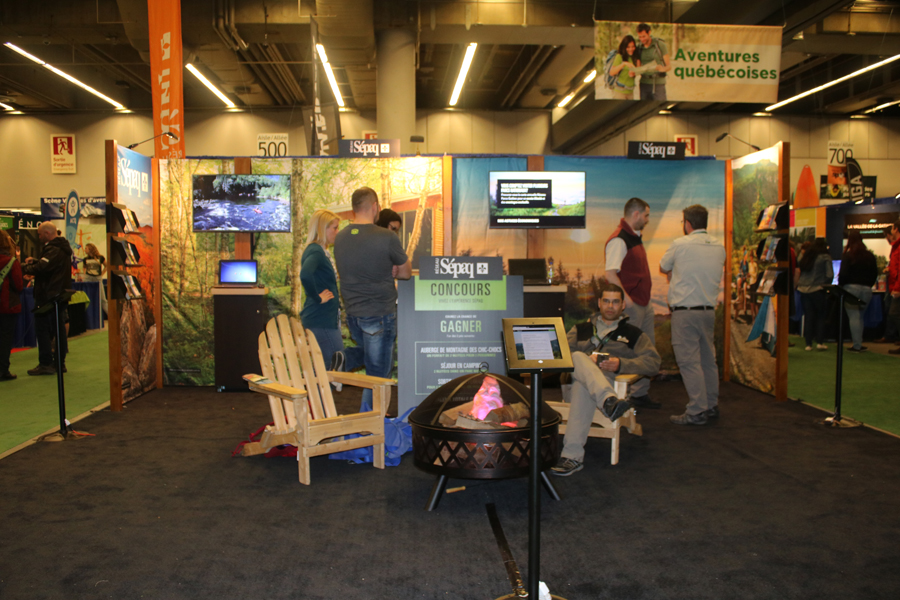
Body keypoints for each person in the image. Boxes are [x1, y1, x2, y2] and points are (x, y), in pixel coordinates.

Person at [551, 283, 661, 476]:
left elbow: (653, 363)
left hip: (608, 383)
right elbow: (560, 353)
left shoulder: (633, 334)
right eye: (607, 301)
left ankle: (571, 457)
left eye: (615, 302)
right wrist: (587, 360)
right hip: (576, 386)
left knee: (582, 387)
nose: (610, 306)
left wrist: (621, 364)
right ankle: (608, 401)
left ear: (623, 305)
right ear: (599, 303)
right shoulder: (580, 329)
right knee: (578, 357)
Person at [333, 187, 412, 409]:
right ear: (375, 206)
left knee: (371, 358)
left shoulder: (340, 238)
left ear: (354, 208)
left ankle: (347, 358)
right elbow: (406, 272)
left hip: (354, 316)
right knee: (378, 377)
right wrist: (394, 270)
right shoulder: (387, 237)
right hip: (379, 315)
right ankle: (371, 423)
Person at [659, 204, 726, 426]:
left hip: (685, 313)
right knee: (708, 360)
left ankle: (697, 410)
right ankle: (711, 405)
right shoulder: (719, 247)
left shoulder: (680, 244)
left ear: (687, 223)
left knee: (689, 362)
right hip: (708, 311)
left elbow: (663, 266)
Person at [604, 197, 658, 408]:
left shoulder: (634, 237)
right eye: (646, 215)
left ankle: (639, 393)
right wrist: (627, 301)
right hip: (632, 306)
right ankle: (619, 398)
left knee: (645, 349)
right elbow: (610, 274)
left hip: (643, 303)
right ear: (636, 214)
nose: (647, 219)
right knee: (626, 350)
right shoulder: (619, 239)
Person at [21, 222, 73, 376]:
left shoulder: (53, 249)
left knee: (43, 329)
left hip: (48, 296)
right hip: (58, 294)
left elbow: (42, 268)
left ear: (47, 233)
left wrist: (23, 267)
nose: (38, 237)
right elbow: (47, 266)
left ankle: (46, 363)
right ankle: (59, 363)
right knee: (58, 329)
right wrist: (36, 261)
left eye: (39, 234)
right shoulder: (61, 248)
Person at [300, 210, 343, 369]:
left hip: (324, 319)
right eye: (334, 228)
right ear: (322, 228)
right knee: (334, 364)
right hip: (320, 319)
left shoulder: (322, 251)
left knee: (328, 366)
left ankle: (320, 387)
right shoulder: (316, 251)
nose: (337, 232)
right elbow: (305, 274)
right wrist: (318, 297)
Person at [838, 231, 878, 352]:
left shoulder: (848, 255)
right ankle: (858, 343)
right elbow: (874, 273)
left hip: (851, 288)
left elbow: (843, 274)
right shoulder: (869, 256)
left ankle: (857, 345)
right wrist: (868, 285)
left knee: (854, 317)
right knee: (860, 317)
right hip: (866, 289)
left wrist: (841, 286)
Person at [796, 237, 834, 352]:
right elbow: (829, 274)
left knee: (808, 316)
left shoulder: (807, 256)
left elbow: (799, 267)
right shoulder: (825, 257)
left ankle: (808, 344)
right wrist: (825, 284)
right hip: (818, 289)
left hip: (803, 289)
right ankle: (820, 342)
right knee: (820, 316)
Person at [0, 229, 24, 381]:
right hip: (7, 305)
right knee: (5, 338)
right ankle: (3, 370)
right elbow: (19, 285)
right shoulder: (11, 262)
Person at [636, 23, 671, 101]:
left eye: (644, 36)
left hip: (658, 84)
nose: (642, 39)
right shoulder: (639, 48)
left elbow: (669, 66)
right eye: (640, 37)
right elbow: (637, 67)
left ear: (649, 33)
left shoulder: (659, 45)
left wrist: (663, 69)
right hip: (644, 84)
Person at [608, 35, 640, 100]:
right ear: (624, 47)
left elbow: (638, 70)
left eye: (633, 46)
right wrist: (623, 64)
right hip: (619, 92)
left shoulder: (634, 57)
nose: (631, 49)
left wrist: (634, 73)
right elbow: (611, 72)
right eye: (628, 47)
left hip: (630, 91)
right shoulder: (619, 56)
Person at [81, 242, 107, 317]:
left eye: (86, 248)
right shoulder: (85, 259)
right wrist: (84, 275)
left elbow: (106, 266)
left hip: (97, 278)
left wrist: (102, 274)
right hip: (88, 278)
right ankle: (87, 316)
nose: (85, 250)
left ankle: (110, 316)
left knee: (102, 299)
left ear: (90, 249)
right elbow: (84, 267)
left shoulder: (100, 258)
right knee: (87, 297)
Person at [887, 220, 900, 355]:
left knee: (894, 313)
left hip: (897, 288)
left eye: (892, 228)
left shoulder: (898, 247)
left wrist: (897, 288)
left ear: (896, 229)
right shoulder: (896, 246)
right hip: (895, 286)